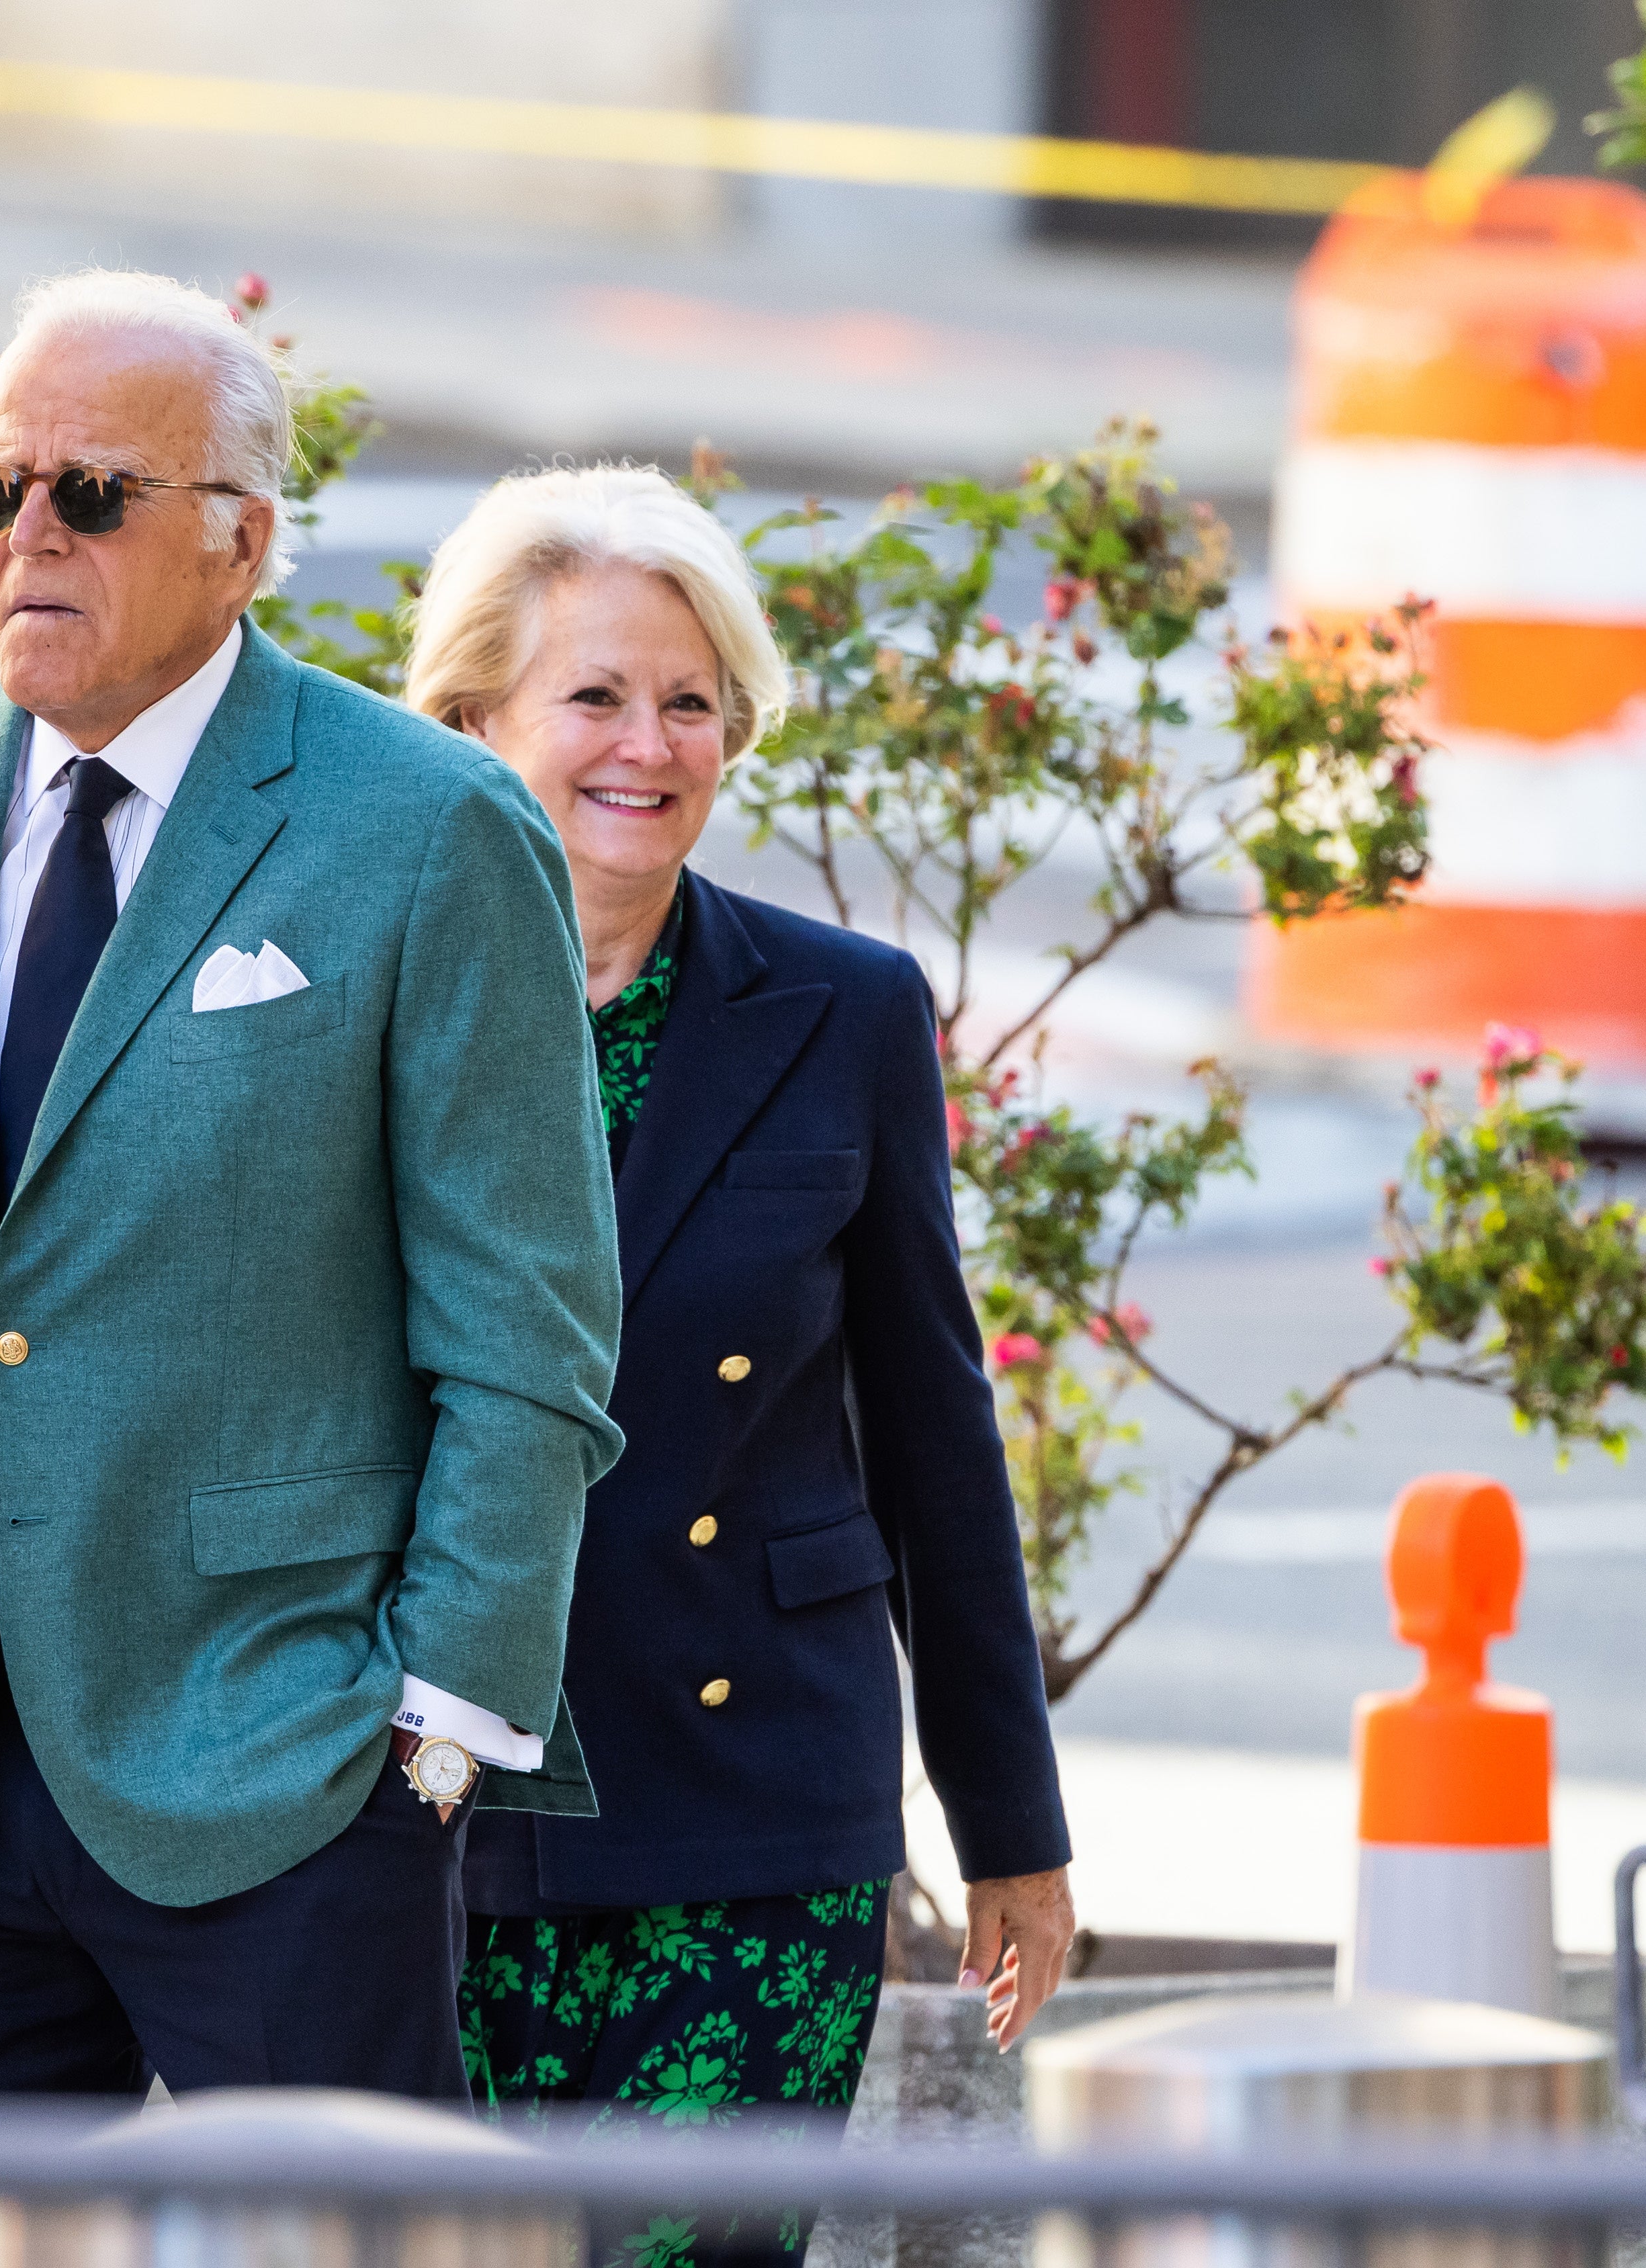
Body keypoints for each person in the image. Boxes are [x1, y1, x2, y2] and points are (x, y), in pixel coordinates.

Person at [0, 267, 625, 2220]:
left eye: (91, 494)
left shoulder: (431, 828)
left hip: (276, 1762)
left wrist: (441, 1725)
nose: (28, 534)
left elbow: (526, 1329)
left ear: (242, 540)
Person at [403, 465, 1075, 2263]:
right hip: (433, 1805)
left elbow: (935, 1432)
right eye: (596, 697)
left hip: (757, 1814)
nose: (649, 744)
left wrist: (1010, 1826)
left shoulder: (842, 1010)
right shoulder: (368, 998)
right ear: (474, 721)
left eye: (690, 701)